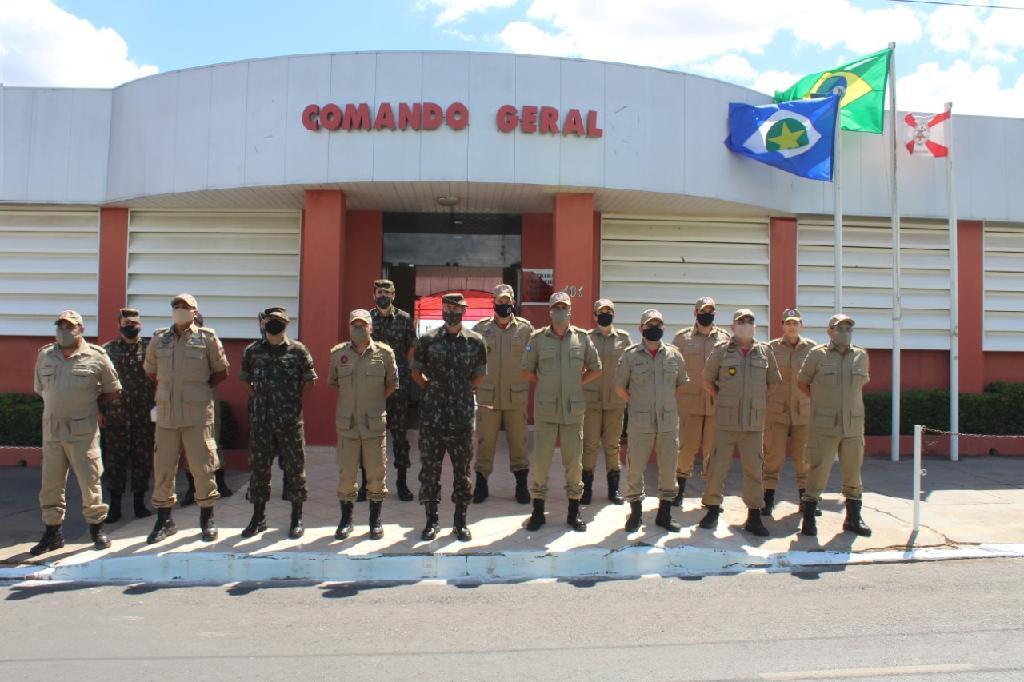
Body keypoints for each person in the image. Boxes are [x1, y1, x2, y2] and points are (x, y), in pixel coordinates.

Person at [30, 310, 121, 555]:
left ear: (80, 329)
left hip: (83, 431)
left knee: (90, 482)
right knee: (50, 485)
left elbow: (113, 389)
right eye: (60, 326)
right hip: (53, 430)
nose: (63, 330)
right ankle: (52, 533)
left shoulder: (96, 356)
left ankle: (96, 530)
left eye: (68, 326)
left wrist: (92, 405)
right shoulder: (45, 355)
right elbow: (40, 388)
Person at [144, 293, 229, 544]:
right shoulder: (159, 339)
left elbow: (221, 372)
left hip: (197, 415)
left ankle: (207, 519)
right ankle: (164, 521)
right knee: (163, 469)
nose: (180, 310)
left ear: (195, 312)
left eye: (186, 307)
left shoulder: (207, 338)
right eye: (176, 307)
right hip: (167, 415)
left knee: (203, 468)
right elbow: (150, 371)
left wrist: (195, 390)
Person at [521, 292, 602, 533]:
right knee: (541, 461)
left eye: (564, 307)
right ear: (550, 311)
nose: (560, 311)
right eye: (556, 307)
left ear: (570, 310)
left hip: (573, 410)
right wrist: (547, 383)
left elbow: (596, 368)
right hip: (546, 410)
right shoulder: (537, 339)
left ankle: (574, 510)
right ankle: (537, 510)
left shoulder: (582, 338)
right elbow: (527, 371)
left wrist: (576, 384)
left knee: (573, 463)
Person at [412, 293, 487, 542]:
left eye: (455, 308)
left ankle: (460, 522)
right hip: (433, 417)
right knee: (430, 471)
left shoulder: (476, 342)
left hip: (462, 419)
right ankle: (431, 521)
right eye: (446, 307)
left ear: (463, 311)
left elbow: (479, 375)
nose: (450, 311)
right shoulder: (427, 340)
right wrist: (433, 390)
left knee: (462, 471)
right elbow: (416, 372)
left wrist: (463, 391)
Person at [699, 309, 781, 537]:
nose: (746, 324)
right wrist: (723, 398)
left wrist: (757, 399)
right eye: (741, 321)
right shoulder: (721, 351)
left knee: (755, 469)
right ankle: (712, 510)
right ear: (733, 326)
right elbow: (707, 380)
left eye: (750, 321)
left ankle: (754, 515)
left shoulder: (765, 352)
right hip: (726, 421)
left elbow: (774, 382)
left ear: (755, 327)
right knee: (717, 466)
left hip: (753, 424)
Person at [239, 307, 316, 539]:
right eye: (271, 320)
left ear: (287, 323)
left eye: (280, 320)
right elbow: (245, 380)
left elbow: (309, 380)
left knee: (295, 471)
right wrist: (259, 397)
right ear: (264, 323)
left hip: (290, 422)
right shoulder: (252, 351)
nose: (275, 324)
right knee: (259, 471)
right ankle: (258, 517)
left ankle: (297, 517)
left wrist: (293, 402)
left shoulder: (298, 350)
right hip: (262, 421)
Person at [797, 314, 873, 538]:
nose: (845, 333)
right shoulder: (817, 354)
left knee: (852, 472)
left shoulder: (860, 355)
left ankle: (853, 518)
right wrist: (822, 401)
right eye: (840, 329)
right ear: (830, 331)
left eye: (849, 329)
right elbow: (803, 382)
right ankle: (809, 517)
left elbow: (861, 384)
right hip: (824, 424)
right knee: (818, 471)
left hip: (852, 424)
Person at [614, 309, 688, 533]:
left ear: (663, 328)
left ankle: (664, 515)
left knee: (668, 469)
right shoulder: (630, 355)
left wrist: (664, 403)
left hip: (667, 423)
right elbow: (619, 386)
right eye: (649, 324)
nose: (654, 328)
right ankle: (635, 514)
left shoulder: (674, 355)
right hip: (640, 423)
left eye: (658, 324)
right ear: (641, 329)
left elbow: (682, 383)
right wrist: (637, 403)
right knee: (635, 468)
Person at [329, 309, 398, 540]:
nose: (359, 328)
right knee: (347, 474)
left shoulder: (385, 354)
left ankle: (374, 520)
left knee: (377, 474)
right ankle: (346, 520)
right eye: (354, 325)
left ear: (371, 327)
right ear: (349, 327)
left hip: (373, 424)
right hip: (348, 425)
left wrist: (374, 403)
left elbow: (391, 385)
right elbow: (335, 383)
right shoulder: (338, 354)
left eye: (363, 325)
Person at [472, 284, 534, 504]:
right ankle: (481, 484)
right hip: (487, 397)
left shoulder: (526, 330)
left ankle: (521, 485)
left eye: (507, 300)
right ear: (493, 304)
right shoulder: (480, 330)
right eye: (499, 301)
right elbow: (472, 360)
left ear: (513, 302)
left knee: (518, 442)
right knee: (485, 442)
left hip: (515, 397)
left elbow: (534, 361)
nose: (503, 304)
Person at [672, 296, 731, 505]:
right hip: (689, 404)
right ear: (695, 313)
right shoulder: (682, 338)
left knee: (712, 451)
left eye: (710, 310)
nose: (707, 314)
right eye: (703, 311)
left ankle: (711, 495)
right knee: (686, 449)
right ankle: (679, 491)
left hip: (715, 404)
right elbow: (673, 369)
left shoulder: (725, 338)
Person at [100, 308, 155, 523]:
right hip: (116, 418)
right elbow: (99, 384)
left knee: (142, 462)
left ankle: (139, 504)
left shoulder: (151, 348)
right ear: (119, 325)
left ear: (140, 325)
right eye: (126, 322)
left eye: (134, 322)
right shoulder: (107, 351)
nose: (131, 326)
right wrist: (100, 411)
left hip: (143, 417)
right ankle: (114, 506)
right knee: (115, 463)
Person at [762, 308, 818, 518]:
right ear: (782, 326)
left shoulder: (813, 349)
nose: (792, 327)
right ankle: (767, 500)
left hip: (803, 412)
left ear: (801, 326)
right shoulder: (770, 348)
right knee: (773, 457)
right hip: (776, 412)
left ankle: (806, 500)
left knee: (803, 458)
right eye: (788, 323)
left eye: (795, 323)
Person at [369, 279, 417, 502]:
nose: (383, 295)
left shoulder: (405, 318)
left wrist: (403, 369)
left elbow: (411, 346)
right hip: (372, 386)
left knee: (399, 435)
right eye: (379, 292)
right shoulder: (366, 319)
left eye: (387, 292)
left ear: (394, 295)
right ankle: (368, 483)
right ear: (374, 295)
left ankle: (402, 482)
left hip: (398, 386)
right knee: (371, 435)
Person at [180, 310, 233, 504]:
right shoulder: (175, 344)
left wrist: (203, 385)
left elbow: (221, 370)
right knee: (188, 444)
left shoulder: (209, 342)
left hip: (207, 396)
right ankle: (191, 488)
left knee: (213, 440)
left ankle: (220, 482)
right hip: (184, 400)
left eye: (197, 322)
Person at [582, 298, 631, 505]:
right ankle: (586, 489)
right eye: (601, 311)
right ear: (594, 315)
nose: (605, 314)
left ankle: (614, 489)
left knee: (612, 446)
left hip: (615, 402)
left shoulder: (623, 338)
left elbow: (630, 368)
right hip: (591, 401)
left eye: (609, 311)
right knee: (590, 445)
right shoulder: (585, 338)